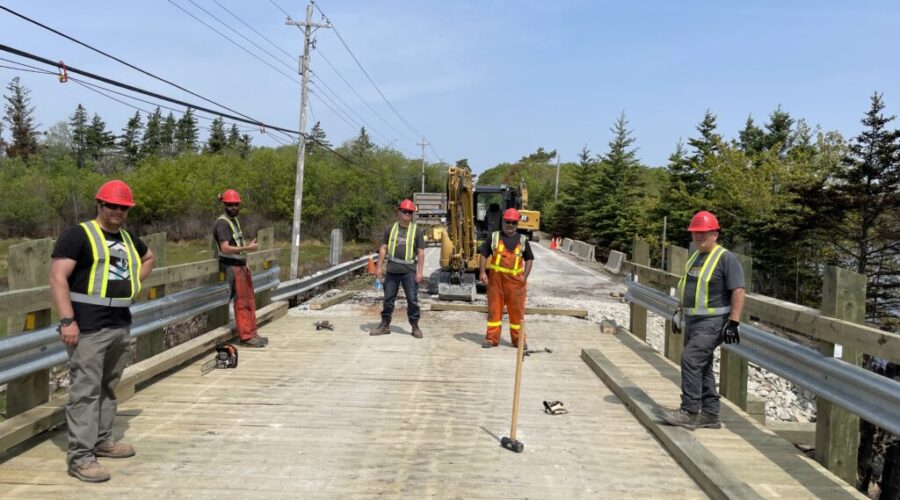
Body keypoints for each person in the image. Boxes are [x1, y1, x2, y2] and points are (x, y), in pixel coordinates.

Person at [49, 180, 156, 483]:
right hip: (88, 325)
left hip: (119, 322)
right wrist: (68, 320)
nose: (117, 211)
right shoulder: (78, 235)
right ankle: (81, 458)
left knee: (109, 386)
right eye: (111, 205)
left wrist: (135, 280)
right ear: (99, 204)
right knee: (85, 391)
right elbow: (58, 277)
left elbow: (149, 258)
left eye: (123, 207)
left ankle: (102, 441)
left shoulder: (127, 237)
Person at [660, 210, 745, 430]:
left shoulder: (726, 258)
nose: (699, 237)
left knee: (690, 359)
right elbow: (690, 288)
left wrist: (733, 323)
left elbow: (738, 290)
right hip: (693, 320)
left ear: (715, 234)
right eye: (695, 233)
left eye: (703, 233)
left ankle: (689, 411)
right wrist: (679, 313)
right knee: (702, 365)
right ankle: (710, 414)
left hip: (714, 321)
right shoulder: (696, 256)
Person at [213, 189, 267, 348]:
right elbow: (225, 248)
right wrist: (248, 249)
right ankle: (246, 337)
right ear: (224, 204)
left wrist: (245, 260)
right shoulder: (222, 223)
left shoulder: (233, 220)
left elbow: (236, 246)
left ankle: (252, 332)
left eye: (236, 204)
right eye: (230, 205)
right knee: (242, 303)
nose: (233, 207)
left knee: (249, 300)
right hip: (233, 267)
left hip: (240, 265)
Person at [479, 208, 534, 348]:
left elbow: (529, 259)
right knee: (494, 311)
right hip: (496, 283)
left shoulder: (522, 240)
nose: (510, 225)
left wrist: (525, 277)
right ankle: (491, 339)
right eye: (507, 222)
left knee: (517, 314)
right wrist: (482, 272)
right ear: (503, 221)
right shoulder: (494, 237)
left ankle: (519, 340)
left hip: (516, 285)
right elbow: (484, 254)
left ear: (517, 224)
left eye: (513, 222)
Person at [370, 199, 426, 338]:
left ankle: (415, 326)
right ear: (399, 211)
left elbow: (420, 252)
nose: (407, 214)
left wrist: (419, 272)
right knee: (388, 299)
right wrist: (378, 267)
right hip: (392, 271)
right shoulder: (390, 229)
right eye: (404, 211)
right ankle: (385, 325)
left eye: (410, 212)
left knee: (412, 299)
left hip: (409, 271)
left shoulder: (417, 231)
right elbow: (383, 248)